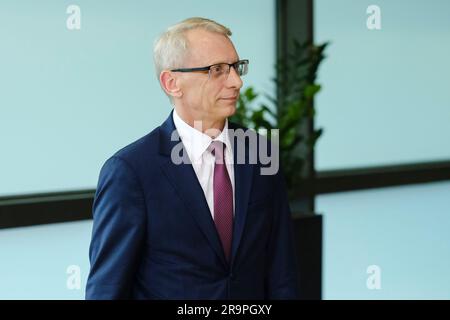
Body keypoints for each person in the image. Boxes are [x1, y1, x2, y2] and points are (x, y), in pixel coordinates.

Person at [85, 17, 299, 299]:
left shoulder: (260, 152)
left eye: (236, 67)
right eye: (217, 70)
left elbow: (282, 272)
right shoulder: (131, 171)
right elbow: (107, 288)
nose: (236, 81)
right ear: (172, 82)